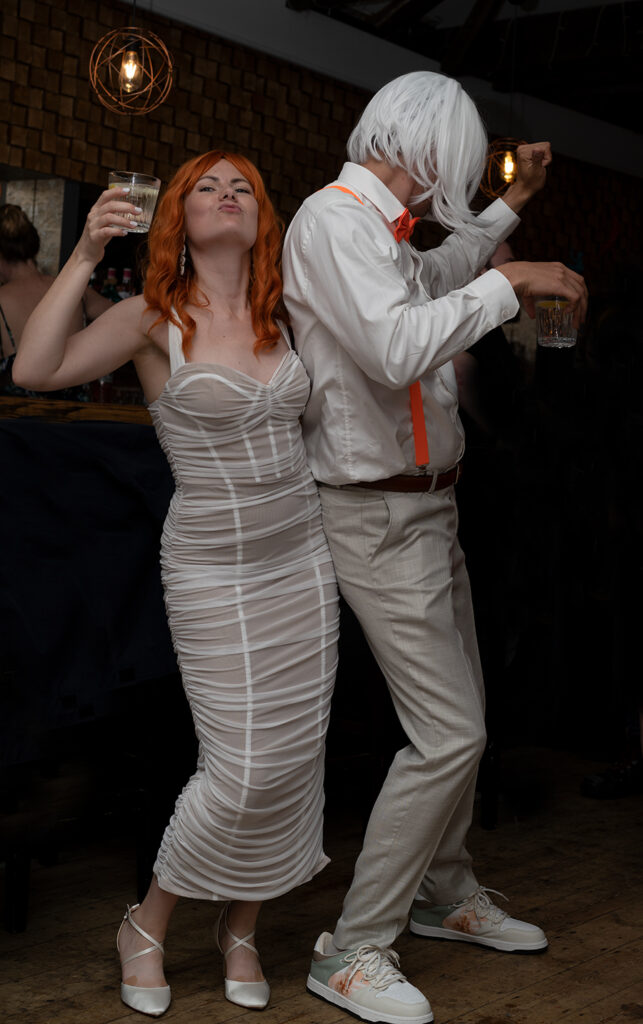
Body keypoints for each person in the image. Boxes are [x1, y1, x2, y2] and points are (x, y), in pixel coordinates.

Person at [283, 70, 587, 1024]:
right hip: (373, 512)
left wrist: (511, 209)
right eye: (455, 168)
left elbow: (433, 281)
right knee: (448, 731)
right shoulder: (332, 222)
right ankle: (355, 946)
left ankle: (444, 895)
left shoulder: (383, 230)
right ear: (425, 151)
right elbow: (395, 347)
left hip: (429, 507)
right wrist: (510, 281)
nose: (451, 183)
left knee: (464, 722)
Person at [13, 149, 339, 1017]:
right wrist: (82, 253)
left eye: (243, 187)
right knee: (238, 768)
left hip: (302, 563)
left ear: (261, 215)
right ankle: (147, 923)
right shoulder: (154, 316)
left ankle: (241, 930)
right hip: (213, 571)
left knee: (292, 762)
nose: (227, 195)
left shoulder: (291, 314)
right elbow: (32, 372)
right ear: (178, 219)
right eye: (207, 186)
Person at [0, 203, 111, 397]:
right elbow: (122, 314)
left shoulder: (2, 298)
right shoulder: (76, 291)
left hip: (19, 421)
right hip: (76, 417)